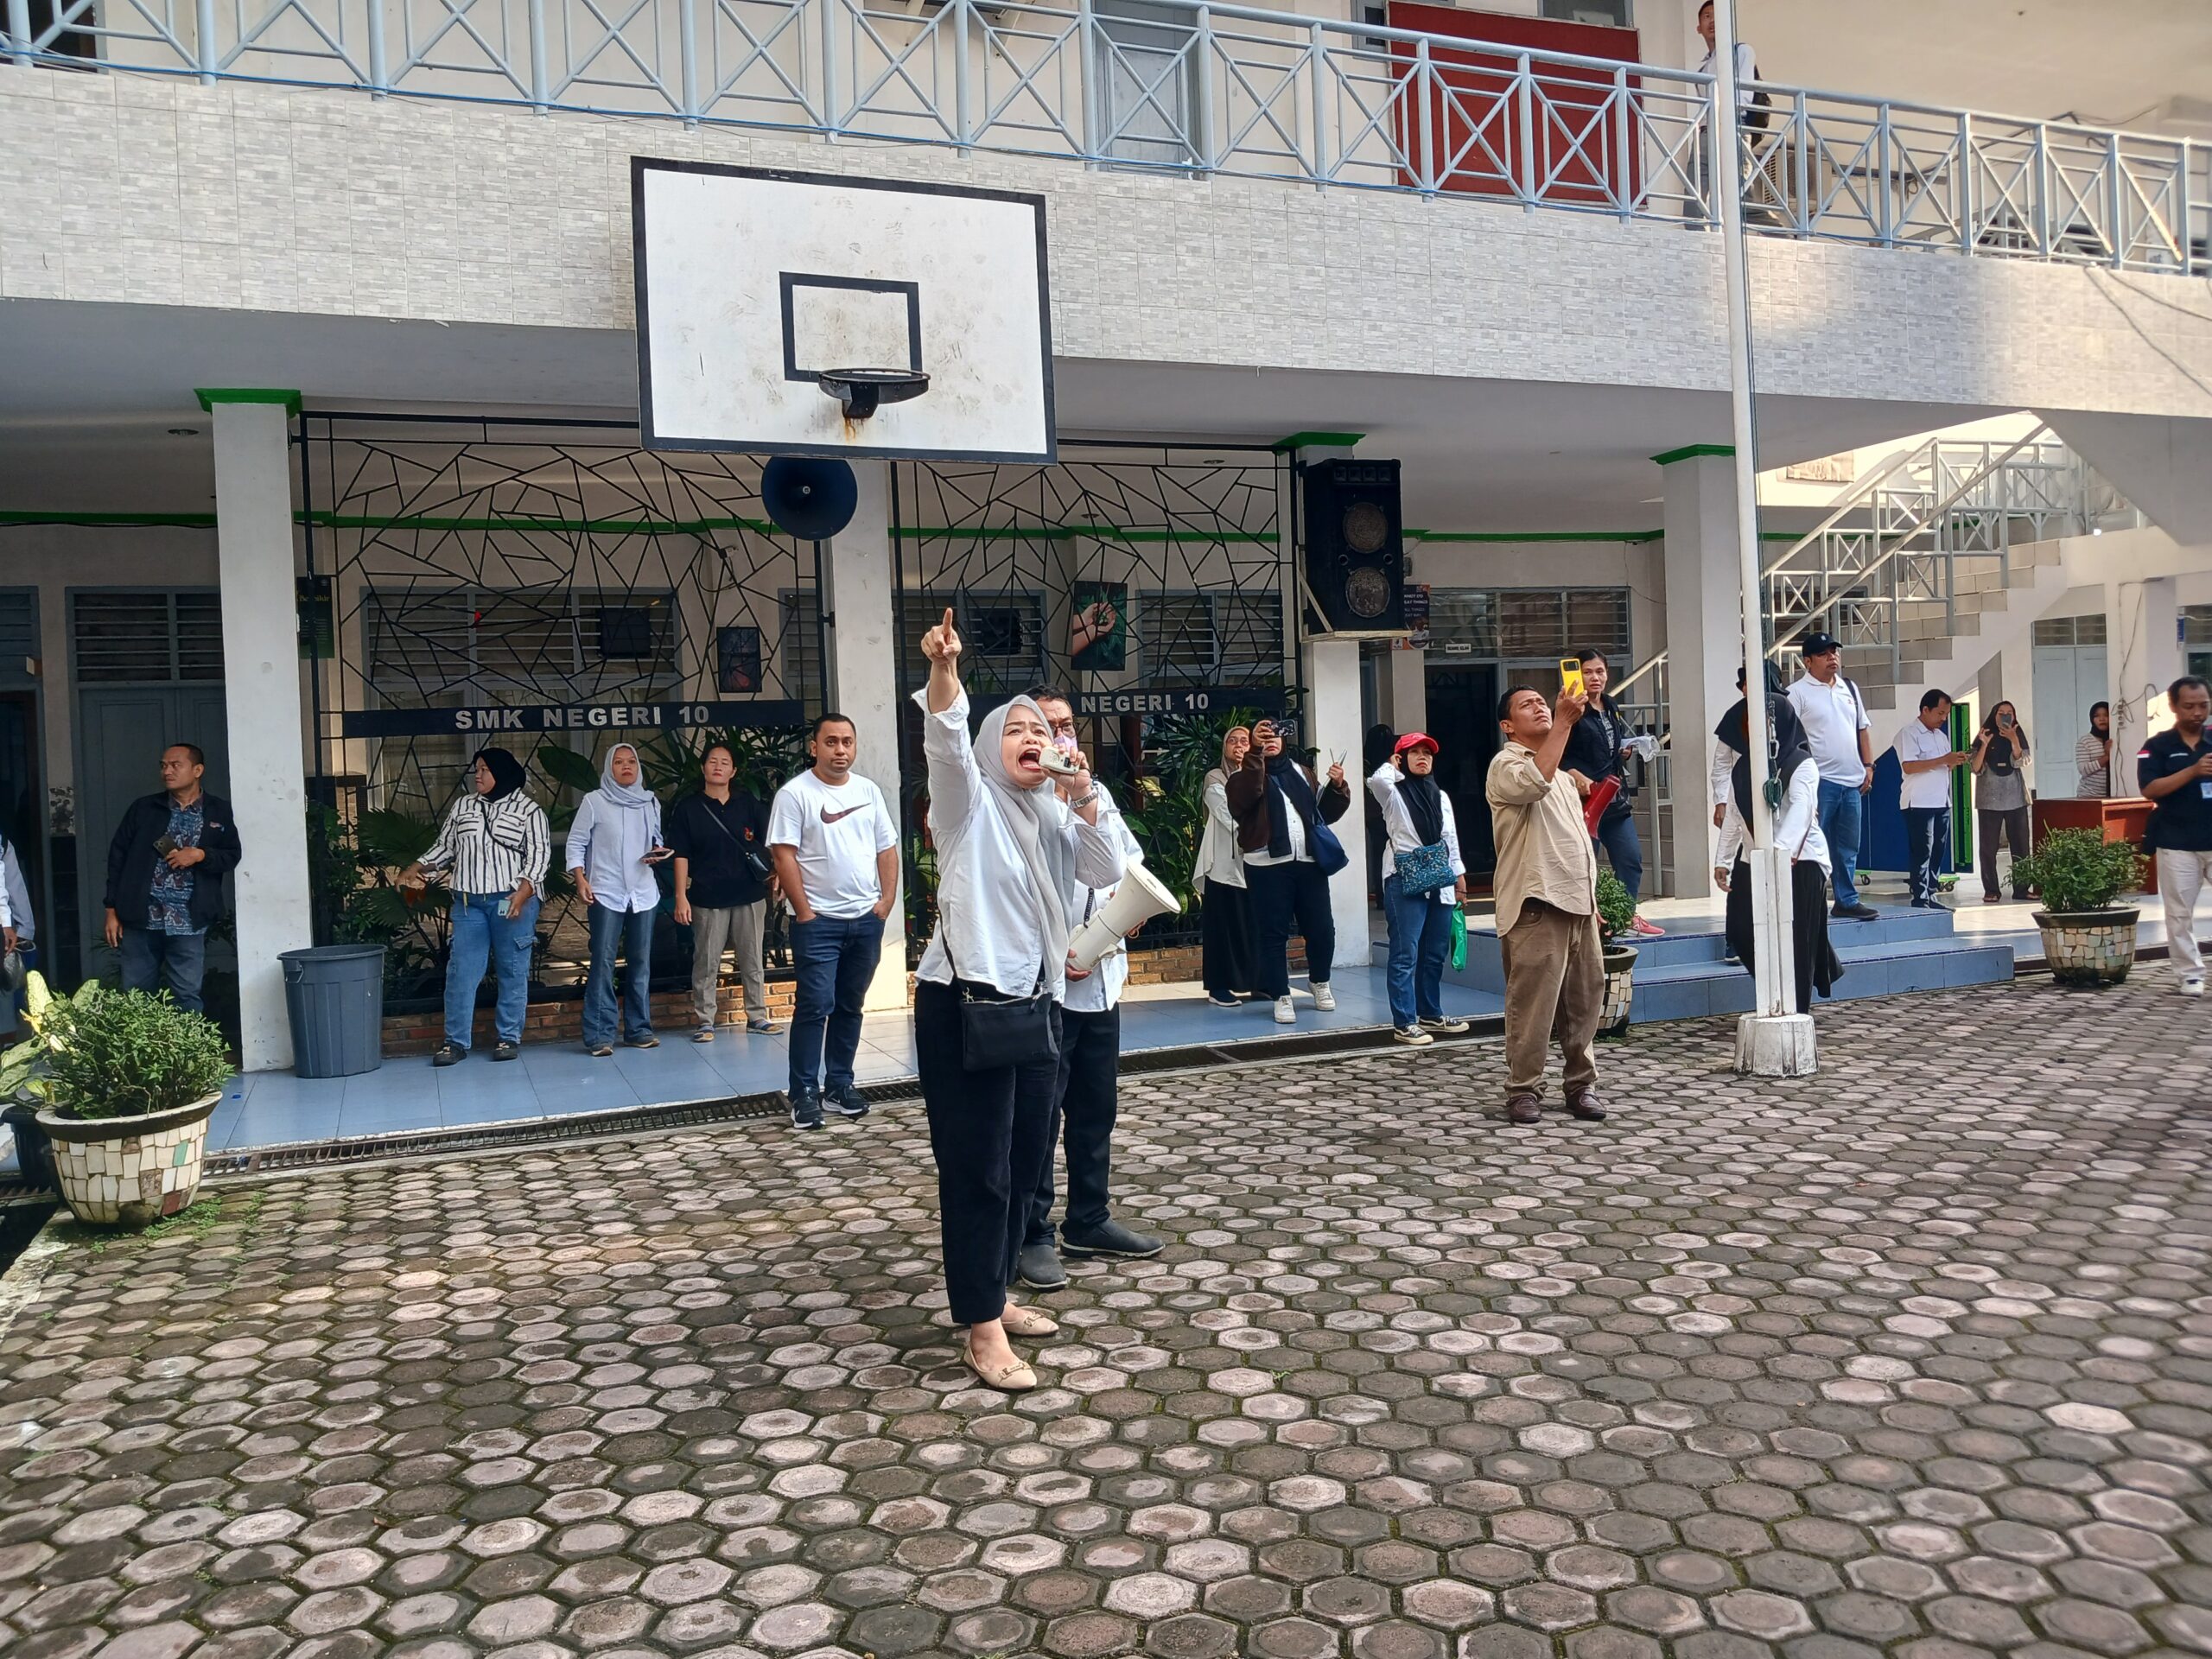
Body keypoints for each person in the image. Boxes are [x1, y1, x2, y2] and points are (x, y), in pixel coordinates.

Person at [911, 612, 1124, 1390]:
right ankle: (982, 1325)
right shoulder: (967, 806)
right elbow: (944, 735)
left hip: (1038, 1006)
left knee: (1028, 1155)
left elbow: (1103, 873)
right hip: (966, 1004)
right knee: (979, 1169)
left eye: (1045, 729)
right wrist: (945, 669)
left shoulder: (1053, 812)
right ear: (990, 747)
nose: (1034, 738)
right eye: (1018, 731)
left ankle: (995, 1287)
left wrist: (1084, 792)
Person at [1016, 688, 1164, 1292]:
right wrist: (1060, 950)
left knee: (1095, 1111)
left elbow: (1127, 868)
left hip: (1100, 984)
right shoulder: (1018, 806)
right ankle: (1032, 1233)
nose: (1062, 738)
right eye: (1049, 728)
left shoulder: (1095, 795)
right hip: (1047, 992)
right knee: (1039, 1118)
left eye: (1068, 726)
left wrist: (1123, 921)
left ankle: (1089, 1218)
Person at [768, 712, 900, 1128]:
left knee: (850, 1005)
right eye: (831, 742)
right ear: (814, 747)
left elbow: (886, 848)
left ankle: (840, 1084)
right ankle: (804, 1091)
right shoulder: (795, 795)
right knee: (814, 1006)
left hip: (865, 921)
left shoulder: (868, 791)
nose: (840, 750)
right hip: (818, 923)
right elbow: (783, 855)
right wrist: (804, 912)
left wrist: (887, 900)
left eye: (847, 742)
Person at [1486, 686, 1606, 1128]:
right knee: (1534, 1005)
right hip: (1537, 903)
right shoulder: (1506, 764)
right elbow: (1532, 784)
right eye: (1527, 705)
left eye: (1543, 701)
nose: (1540, 707)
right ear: (1508, 726)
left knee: (1585, 1001)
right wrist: (1562, 722)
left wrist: (1592, 900)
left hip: (1577, 902)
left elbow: (1575, 843)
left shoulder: (1561, 774)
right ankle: (1523, 1089)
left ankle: (1580, 1084)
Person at [399, 747, 550, 1065]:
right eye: (476, 769)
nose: (477, 775)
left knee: (512, 971)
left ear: (502, 772)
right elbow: (446, 847)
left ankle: (508, 1038)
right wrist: (418, 866)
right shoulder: (464, 806)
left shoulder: (529, 811)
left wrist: (523, 893)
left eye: (484, 769)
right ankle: (455, 1042)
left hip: (511, 902)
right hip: (469, 903)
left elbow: (539, 857)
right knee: (461, 972)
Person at [1713, 690, 1841, 1014]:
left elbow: (1801, 809)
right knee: (1741, 929)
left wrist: (1780, 852)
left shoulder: (1802, 765)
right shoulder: (1743, 768)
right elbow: (1734, 815)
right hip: (1755, 859)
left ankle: (1795, 1010)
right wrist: (1723, 860)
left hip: (1801, 863)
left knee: (1796, 939)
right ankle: (1773, 984)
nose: (1760, 728)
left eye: (1768, 720)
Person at [1226, 717, 1351, 1025]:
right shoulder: (1244, 775)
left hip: (1309, 861)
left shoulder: (1302, 772)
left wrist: (1338, 787)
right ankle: (1281, 994)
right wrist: (1255, 754)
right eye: (1263, 736)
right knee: (1273, 934)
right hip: (1267, 864)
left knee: (1322, 929)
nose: (1271, 740)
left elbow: (1322, 815)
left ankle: (1320, 981)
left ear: (1285, 740)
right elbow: (1244, 800)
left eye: (1276, 735)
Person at [102, 743, 242, 1015]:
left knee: (187, 995)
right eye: (163, 765)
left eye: (175, 765)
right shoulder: (144, 808)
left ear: (197, 770)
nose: (167, 771)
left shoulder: (217, 810)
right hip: (141, 916)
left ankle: (187, 1056)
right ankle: (141, 1057)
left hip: (189, 919)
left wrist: (200, 854)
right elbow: (117, 858)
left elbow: (232, 855)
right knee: (136, 996)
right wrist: (111, 908)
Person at [669, 741, 780, 1042]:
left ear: (734, 771)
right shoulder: (689, 809)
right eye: (713, 761)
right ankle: (705, 1020)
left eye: (725, 762)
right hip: (708, 897)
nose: (718, 766)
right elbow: (681, 854)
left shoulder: (748, 805)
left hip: (750, 894)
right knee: (706, 961)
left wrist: (779, 873)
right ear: (703, 768)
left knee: (752, 959)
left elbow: (774, 842)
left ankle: (757, 1015)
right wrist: (681, 896)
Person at [568, 742, 670, 1057]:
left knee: (641, 963)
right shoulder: (594, 802)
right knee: (603, 962)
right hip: (606, 892)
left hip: (643, 893)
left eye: (631, 762)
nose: (626, 767)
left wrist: (657, 853)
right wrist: (580, 879)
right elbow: (575, 842)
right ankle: (599, 1034)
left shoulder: (650, 801)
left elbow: (656, 838)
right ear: (609, 768)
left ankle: (639, 1030)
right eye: (619, 762)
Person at [1370, 732, 1471, 1046]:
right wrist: (1392, 765)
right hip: (1404, 877)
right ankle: (1404, 1021)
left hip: (1439, 879)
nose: (1423, 757)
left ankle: (1430, 1012)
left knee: (1434, 952)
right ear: (1402, 759)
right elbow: (1375, 780)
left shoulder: (1440, 795)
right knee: (1405, 951)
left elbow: (1450, 838)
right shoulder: (1393, 792)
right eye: (1414, 752)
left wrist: (1459, 877)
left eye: (1427, 752)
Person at [1560, 648, 1663, 937]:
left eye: (1600, 671)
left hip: (1614, 799)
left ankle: (1625, 916)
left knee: (1630, 858)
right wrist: (1574, 775)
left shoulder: (1610, 705)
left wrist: (1623, 752)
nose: (1595, 677)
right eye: (1587, 671)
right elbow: (1559, 753)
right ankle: (1586, 921)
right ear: (1577, 675)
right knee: (1585, 865)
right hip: (1583, 801)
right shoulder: (1572, 709)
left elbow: (1605, 748)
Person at [1786, 632, 1878, 920]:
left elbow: (1863, 729)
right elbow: (1790, 738)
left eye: (1834, 652)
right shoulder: (1797, 693)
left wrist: (1869, 765)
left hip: (1852, 780)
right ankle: (1808, 900)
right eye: (1824, 654)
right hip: (1820, 782)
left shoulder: (1849, 688)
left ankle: (1846, 899)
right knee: (1812, 843)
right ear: (1808, 661)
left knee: (1848, 845)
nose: (1832, 658)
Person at [2138, 675, 2212, 997]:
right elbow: (2150, 789)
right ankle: (2190, 973)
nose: (2197, 713)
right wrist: (2193, 771)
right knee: (2179, 913)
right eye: (2190, 706)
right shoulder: (2156, 747)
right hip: (2176, 840)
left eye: (2204, 705)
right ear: (2174, 707)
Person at [1198, 726, 1257, 1007]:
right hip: (1223, 864)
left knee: (1253, 927)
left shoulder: (1260, 778)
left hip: (1255, 863)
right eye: (1231, 741)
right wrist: (1259, 829)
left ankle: (1258, 983)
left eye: (1244, 741)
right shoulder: (1215, 777)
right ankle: (1219, 987)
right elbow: (1227, 815)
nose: (1237, 745)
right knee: (1223, 927)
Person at [1892, 692, 1967, 909]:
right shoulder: (1909, 733)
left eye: (1946, 714)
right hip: (1918, 802)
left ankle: (1932, 892)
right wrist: (1944, 759)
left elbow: (1943, 767)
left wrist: (1954, 761)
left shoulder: (1940, 736)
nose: (1943, 718)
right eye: (1940, 713)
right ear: (1925, 710)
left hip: (1942, 801)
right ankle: (1920, 896)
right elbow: (1909, 766)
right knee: (1922, 850)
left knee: (1938, 850)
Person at [1970, 702, 2032, 904]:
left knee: (2021, 846)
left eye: (2009, 713)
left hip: (2015, 797)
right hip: (1989, 799)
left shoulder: (2018, 733)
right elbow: (1975, 768)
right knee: (1988, 849)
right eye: (2001, 713)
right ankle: (1991, 889)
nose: (2005, 716)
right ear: (1993, 715)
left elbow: (2022, 761)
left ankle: (2022, 888)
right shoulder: (1984, 734)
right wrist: (1984, 745)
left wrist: (2014, 739)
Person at [2077, 702, 2113, 799]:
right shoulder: (2085, 741)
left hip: (2114, 795)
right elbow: (2083, 769)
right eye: (2097, 716)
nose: (2102, 719)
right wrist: (2106, 757)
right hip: (2089, 796)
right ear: (2092, 719)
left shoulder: (2115, 738)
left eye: (2106, 715)